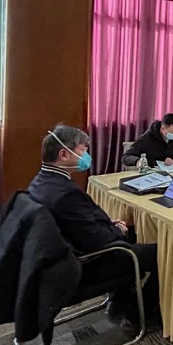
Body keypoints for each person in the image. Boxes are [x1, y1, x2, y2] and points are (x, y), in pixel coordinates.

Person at [28, 125, 160, 330]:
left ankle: (120, 301)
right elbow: (96, 241)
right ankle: (136, 316)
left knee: (133, 233)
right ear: (63, 154)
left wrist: (109, 224)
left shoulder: (41, 181)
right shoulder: (65, 193)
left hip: (63, 252)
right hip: (83, 265)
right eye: (83, 149)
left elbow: (80, 223)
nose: (86, 155)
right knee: (162, 254)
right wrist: (116, 230)